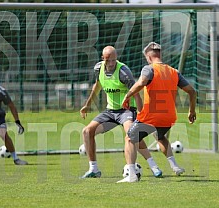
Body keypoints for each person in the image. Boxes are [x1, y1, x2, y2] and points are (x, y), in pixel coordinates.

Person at [117, 42, 197, 183]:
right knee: (160, 137)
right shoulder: (173, 72)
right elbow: (192, 91)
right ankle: (175, 166)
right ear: (160, 54)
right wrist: (191, 110)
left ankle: (131, 176)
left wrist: (128, 95)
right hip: (169, 117)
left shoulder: (149, 69)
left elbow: (141, 82)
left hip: (151, 116)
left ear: (148, 56)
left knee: (130, 138)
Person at [80, 46, 162, 178]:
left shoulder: (123, 72)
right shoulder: (98, 68)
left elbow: (136, 93)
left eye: (113, 60)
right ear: (103, 59)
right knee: (87, 131)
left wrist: (141, 115)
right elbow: (97, 85)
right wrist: (87, 105)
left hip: (127, 111)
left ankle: (153, 166)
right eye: (108, 60)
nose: (111, 63)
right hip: (111, 112)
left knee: (132, 134)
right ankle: (93, 169)